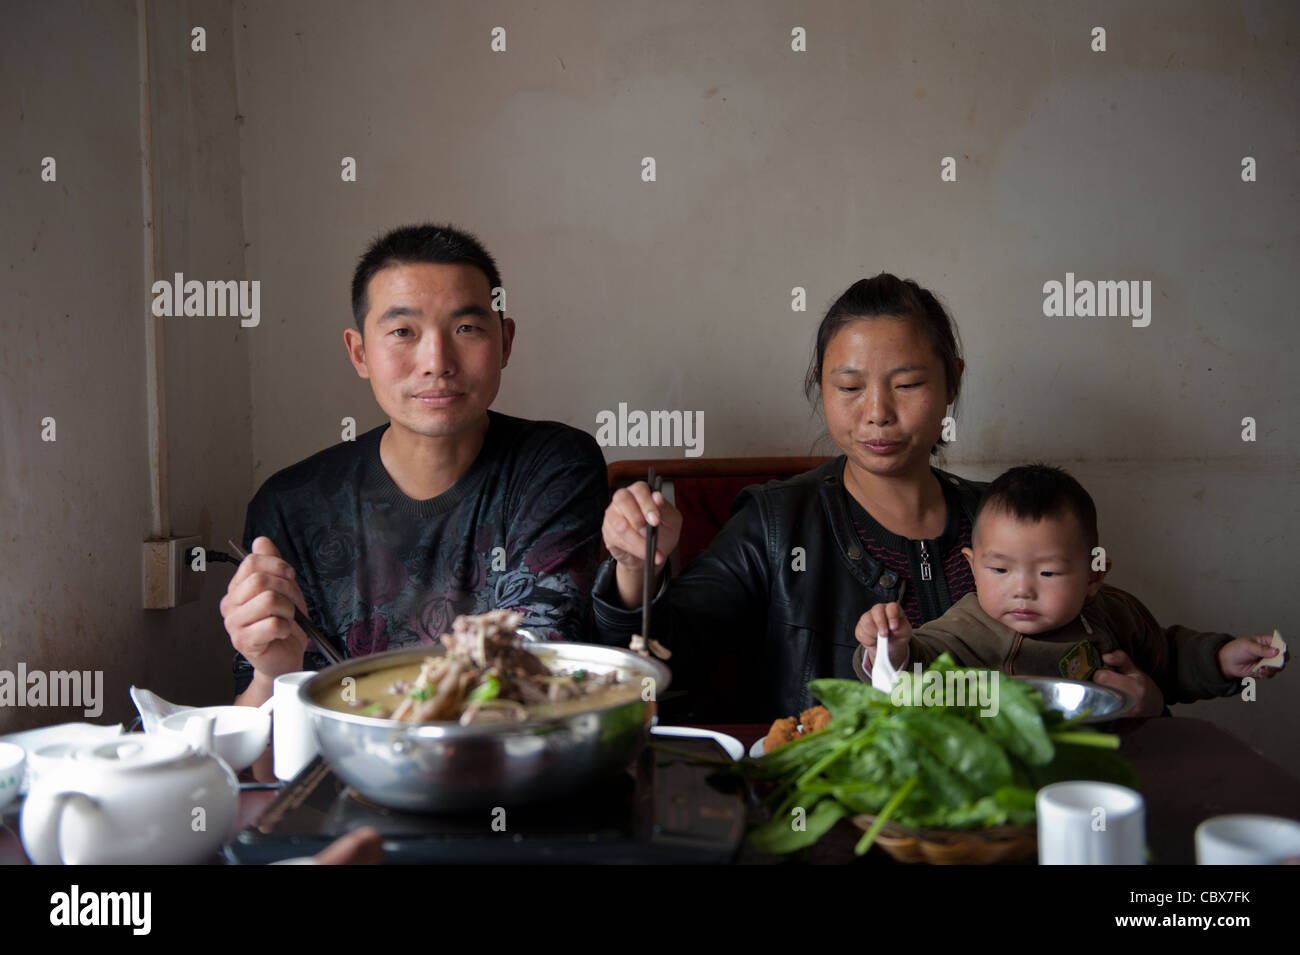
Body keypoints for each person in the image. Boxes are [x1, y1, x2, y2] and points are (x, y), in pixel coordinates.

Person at [221, 224, 607, 709]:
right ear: (360, 352)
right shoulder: (290, 506)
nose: (436, 361)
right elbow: (260, 766)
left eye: (466, 328)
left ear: (505, 342)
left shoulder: (551, 467)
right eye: (403, 332)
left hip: (508, 767)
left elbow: (539, 672)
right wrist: (271, 674)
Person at [593, 274, 985, 720]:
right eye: (850, 388)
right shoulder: (776, 523)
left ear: (952, 381)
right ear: (821, 385)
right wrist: (636, 569)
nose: (878, 413)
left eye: (908, 384)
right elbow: (658, 670)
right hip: (818, 783)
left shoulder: (1003, 516)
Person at [854, 464, 1285, 715]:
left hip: (1115, 769)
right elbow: (918, 667)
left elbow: (1167, 658)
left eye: (1049, 574)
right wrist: (890, 649)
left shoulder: (1114, 615)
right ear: (972, 566)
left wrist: (1222, 659)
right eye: (1000, 569)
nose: (1022, 590)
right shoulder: (968, 628)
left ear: (1095, 574)